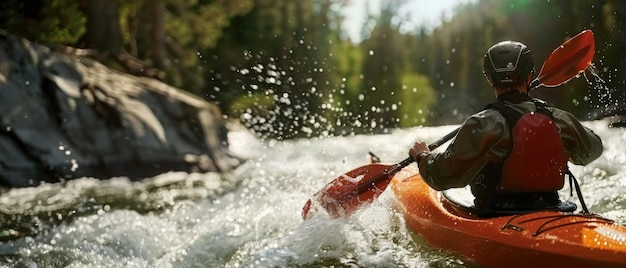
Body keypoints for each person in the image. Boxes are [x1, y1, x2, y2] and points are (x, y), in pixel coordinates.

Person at [408, 40, 603, 215]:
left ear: (489, 79)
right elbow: (594, 149)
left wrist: (423, 157)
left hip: (497, 213)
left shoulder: (481, 124)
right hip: (551, 208)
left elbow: (443, 176)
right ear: (530, 76)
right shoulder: (559, 119)